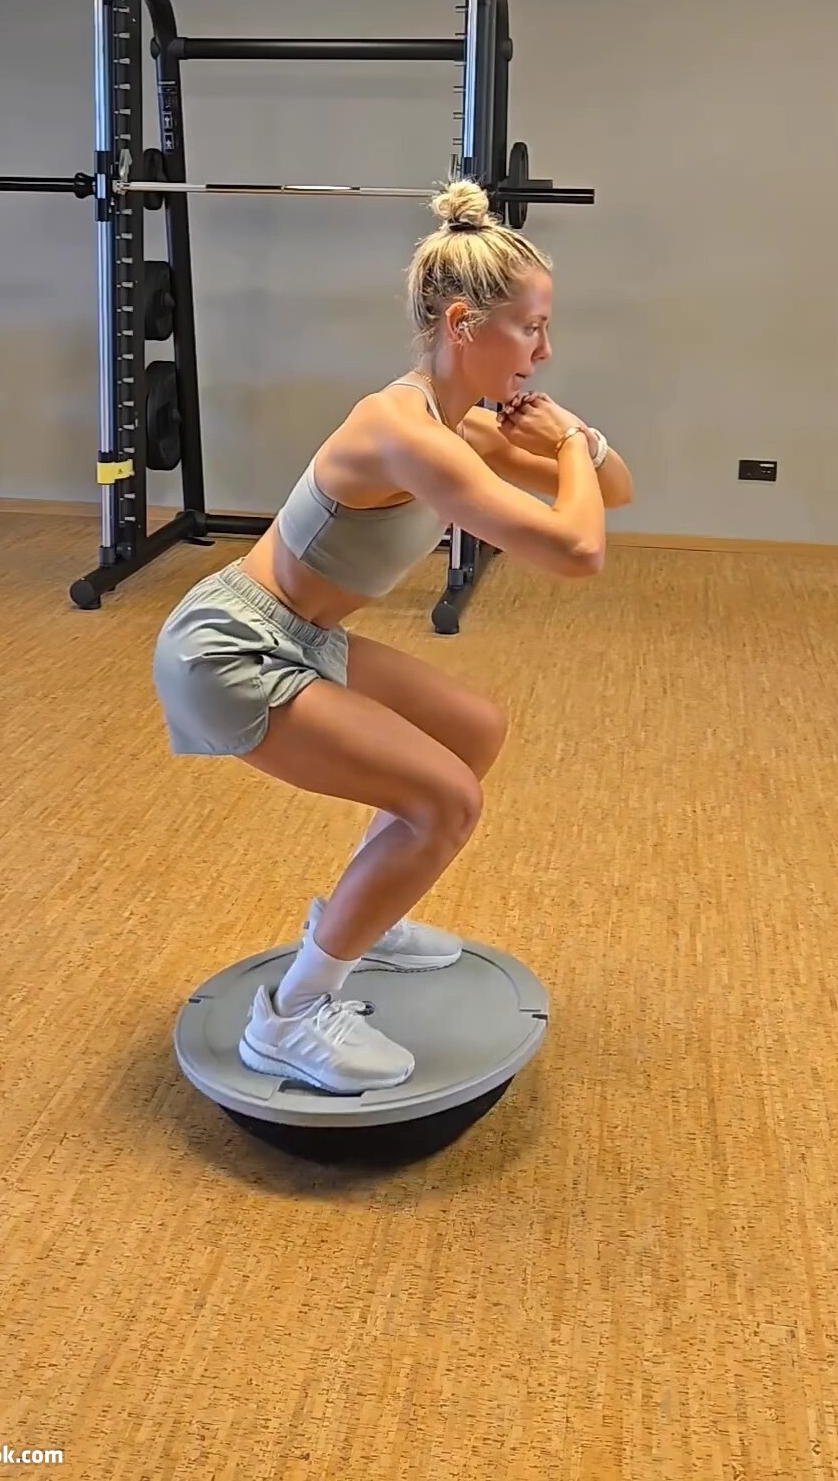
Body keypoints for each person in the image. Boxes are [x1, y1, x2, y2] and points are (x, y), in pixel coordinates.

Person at [153, 180, 634, 1094]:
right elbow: (578, 551)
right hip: (232, 649)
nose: (545, 351)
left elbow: (616, 493)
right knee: (447, 803)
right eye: (532, 329)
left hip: (300, 634)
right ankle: (290, 1016)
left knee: (474, 730)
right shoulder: (401, 429)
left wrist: (575, 441)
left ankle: (361, 919)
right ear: (463, 325)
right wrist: (571, 445)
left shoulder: (462, 426)